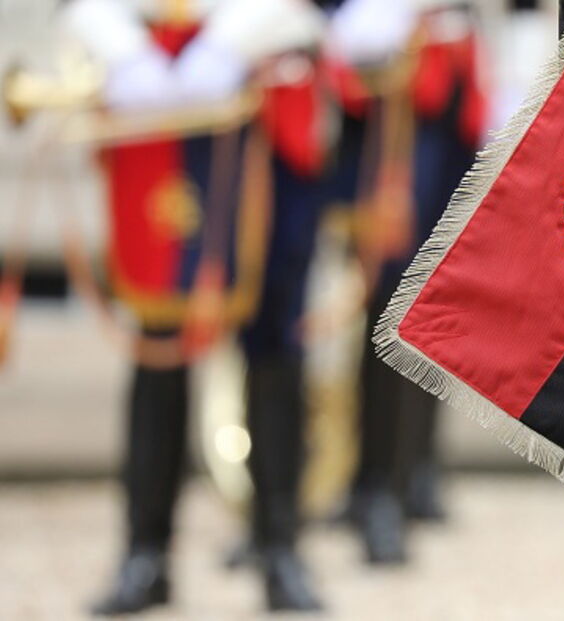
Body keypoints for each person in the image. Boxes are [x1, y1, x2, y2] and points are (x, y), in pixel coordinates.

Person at [60, 0, 334, 614]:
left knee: (274, 336)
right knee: (158, 338)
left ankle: (280, 547)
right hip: (154, 88)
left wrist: (236, 36)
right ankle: (144, 553)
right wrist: (120, 46)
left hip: (262, 84)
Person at [328, 0, 486, 564]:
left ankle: (393, 483)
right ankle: (370, 476)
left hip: (426, 116)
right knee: (375, 306)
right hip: (357, 104)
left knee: (409, 302)